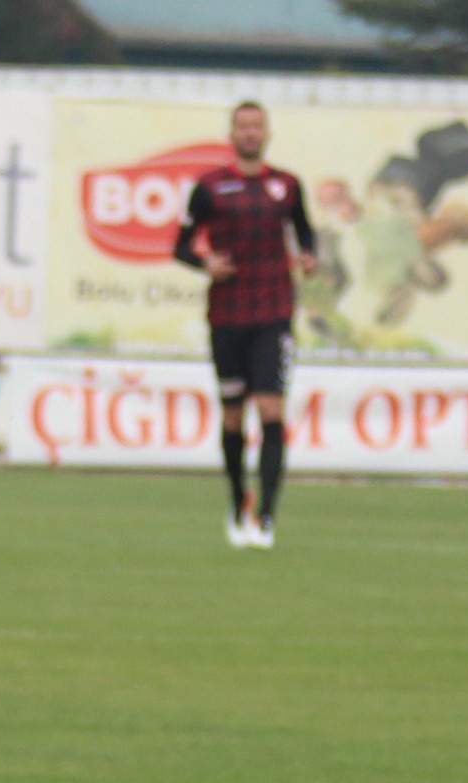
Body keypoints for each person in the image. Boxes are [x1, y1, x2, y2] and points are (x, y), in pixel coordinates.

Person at [173, 103, 315, 551]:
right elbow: (180, 246)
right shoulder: (210, 187)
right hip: (227, 314)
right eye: (243, 127)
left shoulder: (287, 185)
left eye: (257, 126)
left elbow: (305, 231)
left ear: (266, 133)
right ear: (232, 134)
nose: (250, 133)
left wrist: (307, 255)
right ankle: (238, 501)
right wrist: (205, 263)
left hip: (273, 312)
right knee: (233, 414)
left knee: (271, 409)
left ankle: (267, 515)